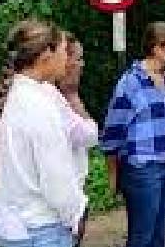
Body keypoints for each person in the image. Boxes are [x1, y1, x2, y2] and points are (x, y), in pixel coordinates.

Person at [0, 20, 85, 247]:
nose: (68, 59)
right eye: (64, 51)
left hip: (11, 226)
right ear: (47, 54)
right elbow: (57, 181)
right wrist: (76, 214)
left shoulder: (12, 94)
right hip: (43, 231)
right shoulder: (39, 106)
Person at [101, 22, 165, 247]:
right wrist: (113, 174)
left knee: (160, 234)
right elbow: (112, 131)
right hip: (143, 169)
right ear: (157, 49)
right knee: (141, 236)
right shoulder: (131, 82)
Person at [42, 32, 98, 247]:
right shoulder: (53, 99)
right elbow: (89, 135)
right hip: (59, 211)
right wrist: (73, 95)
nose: (81, 65)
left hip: (68, 202)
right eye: (77, 58)